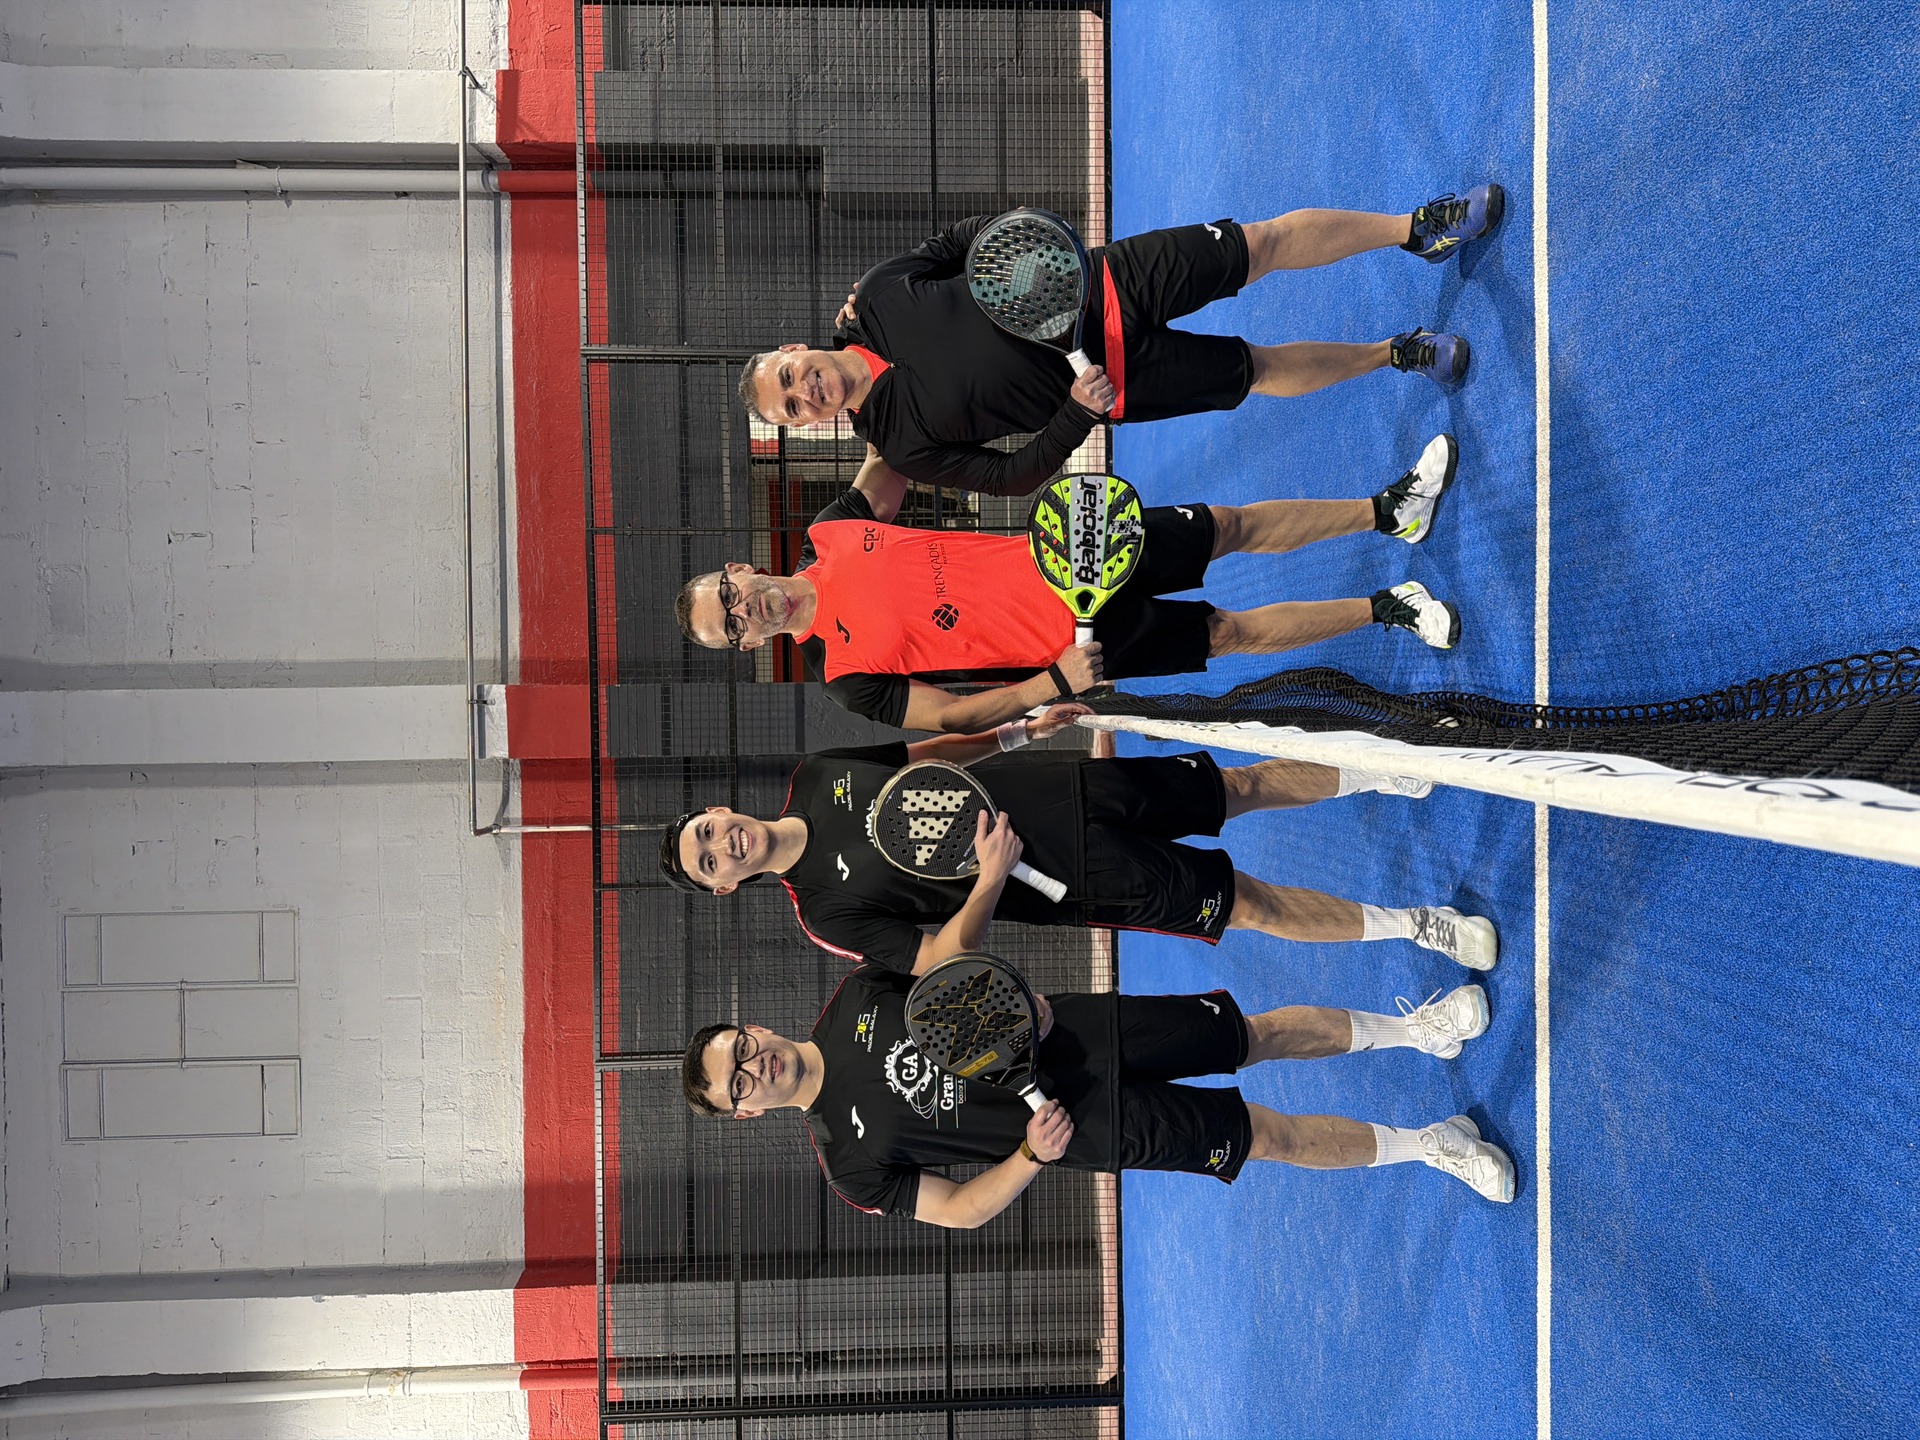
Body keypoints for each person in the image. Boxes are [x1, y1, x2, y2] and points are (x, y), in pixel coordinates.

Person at [739, 188, 1503, 497]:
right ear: (808, 426)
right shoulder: (902, 446)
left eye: (790, 378)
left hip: (1106, 282)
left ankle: (1416, 230)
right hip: (1118, 382)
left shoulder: (876, 294)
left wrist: (1028, 244)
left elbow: (963, 240)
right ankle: (1397, 353)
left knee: (1258, 244)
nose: (805, 392)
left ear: (793, 349)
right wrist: (1077, 412)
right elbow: (1012, 477)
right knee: (1256, 370)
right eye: (792, 409)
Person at [673, 434, 1464, 732]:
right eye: (732, 626)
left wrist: (877, 368)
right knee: (1228, 633)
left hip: (1074, 552)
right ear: (747, 645)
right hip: (1079, 641)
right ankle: (1387, 608)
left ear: (739, 569)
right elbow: (953, 715)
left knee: (1227, 525)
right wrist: (1052, 682)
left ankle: (1387, 511)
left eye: (729, 597)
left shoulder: (833, 527)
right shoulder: (843, 677)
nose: (745, 611)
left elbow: (898, 446)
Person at [657, 709, 1498, 975]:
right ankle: (1414, 925)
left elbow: (930, 757)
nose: (722, 843)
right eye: (710, 861)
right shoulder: (824, 913)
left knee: (1234, 787)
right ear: (725, 885)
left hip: (1072, 786)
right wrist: (989, 879)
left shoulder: (816, 775)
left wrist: (1018, 733)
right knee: (1249, 905)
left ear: (720, 809)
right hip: (1073, 878)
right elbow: (937, 958)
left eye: (707, 830)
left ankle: (1378, 772)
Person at [680, 966, 1517, 1227]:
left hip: (1083, 1035)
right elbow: (961, 1209)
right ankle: (1430, 1144)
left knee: (1251, 1035)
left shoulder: (856, 997)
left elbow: (953, 976)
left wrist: (1019, 997)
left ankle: (1418, 1029)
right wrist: (1029, 1154)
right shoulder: (848, 1165)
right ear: (744, 1112)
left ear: (754, 1027)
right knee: (1265, 1136)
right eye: (737, 1082)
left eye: (741, 1048)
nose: (755, 1065)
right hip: (1085, 1129)